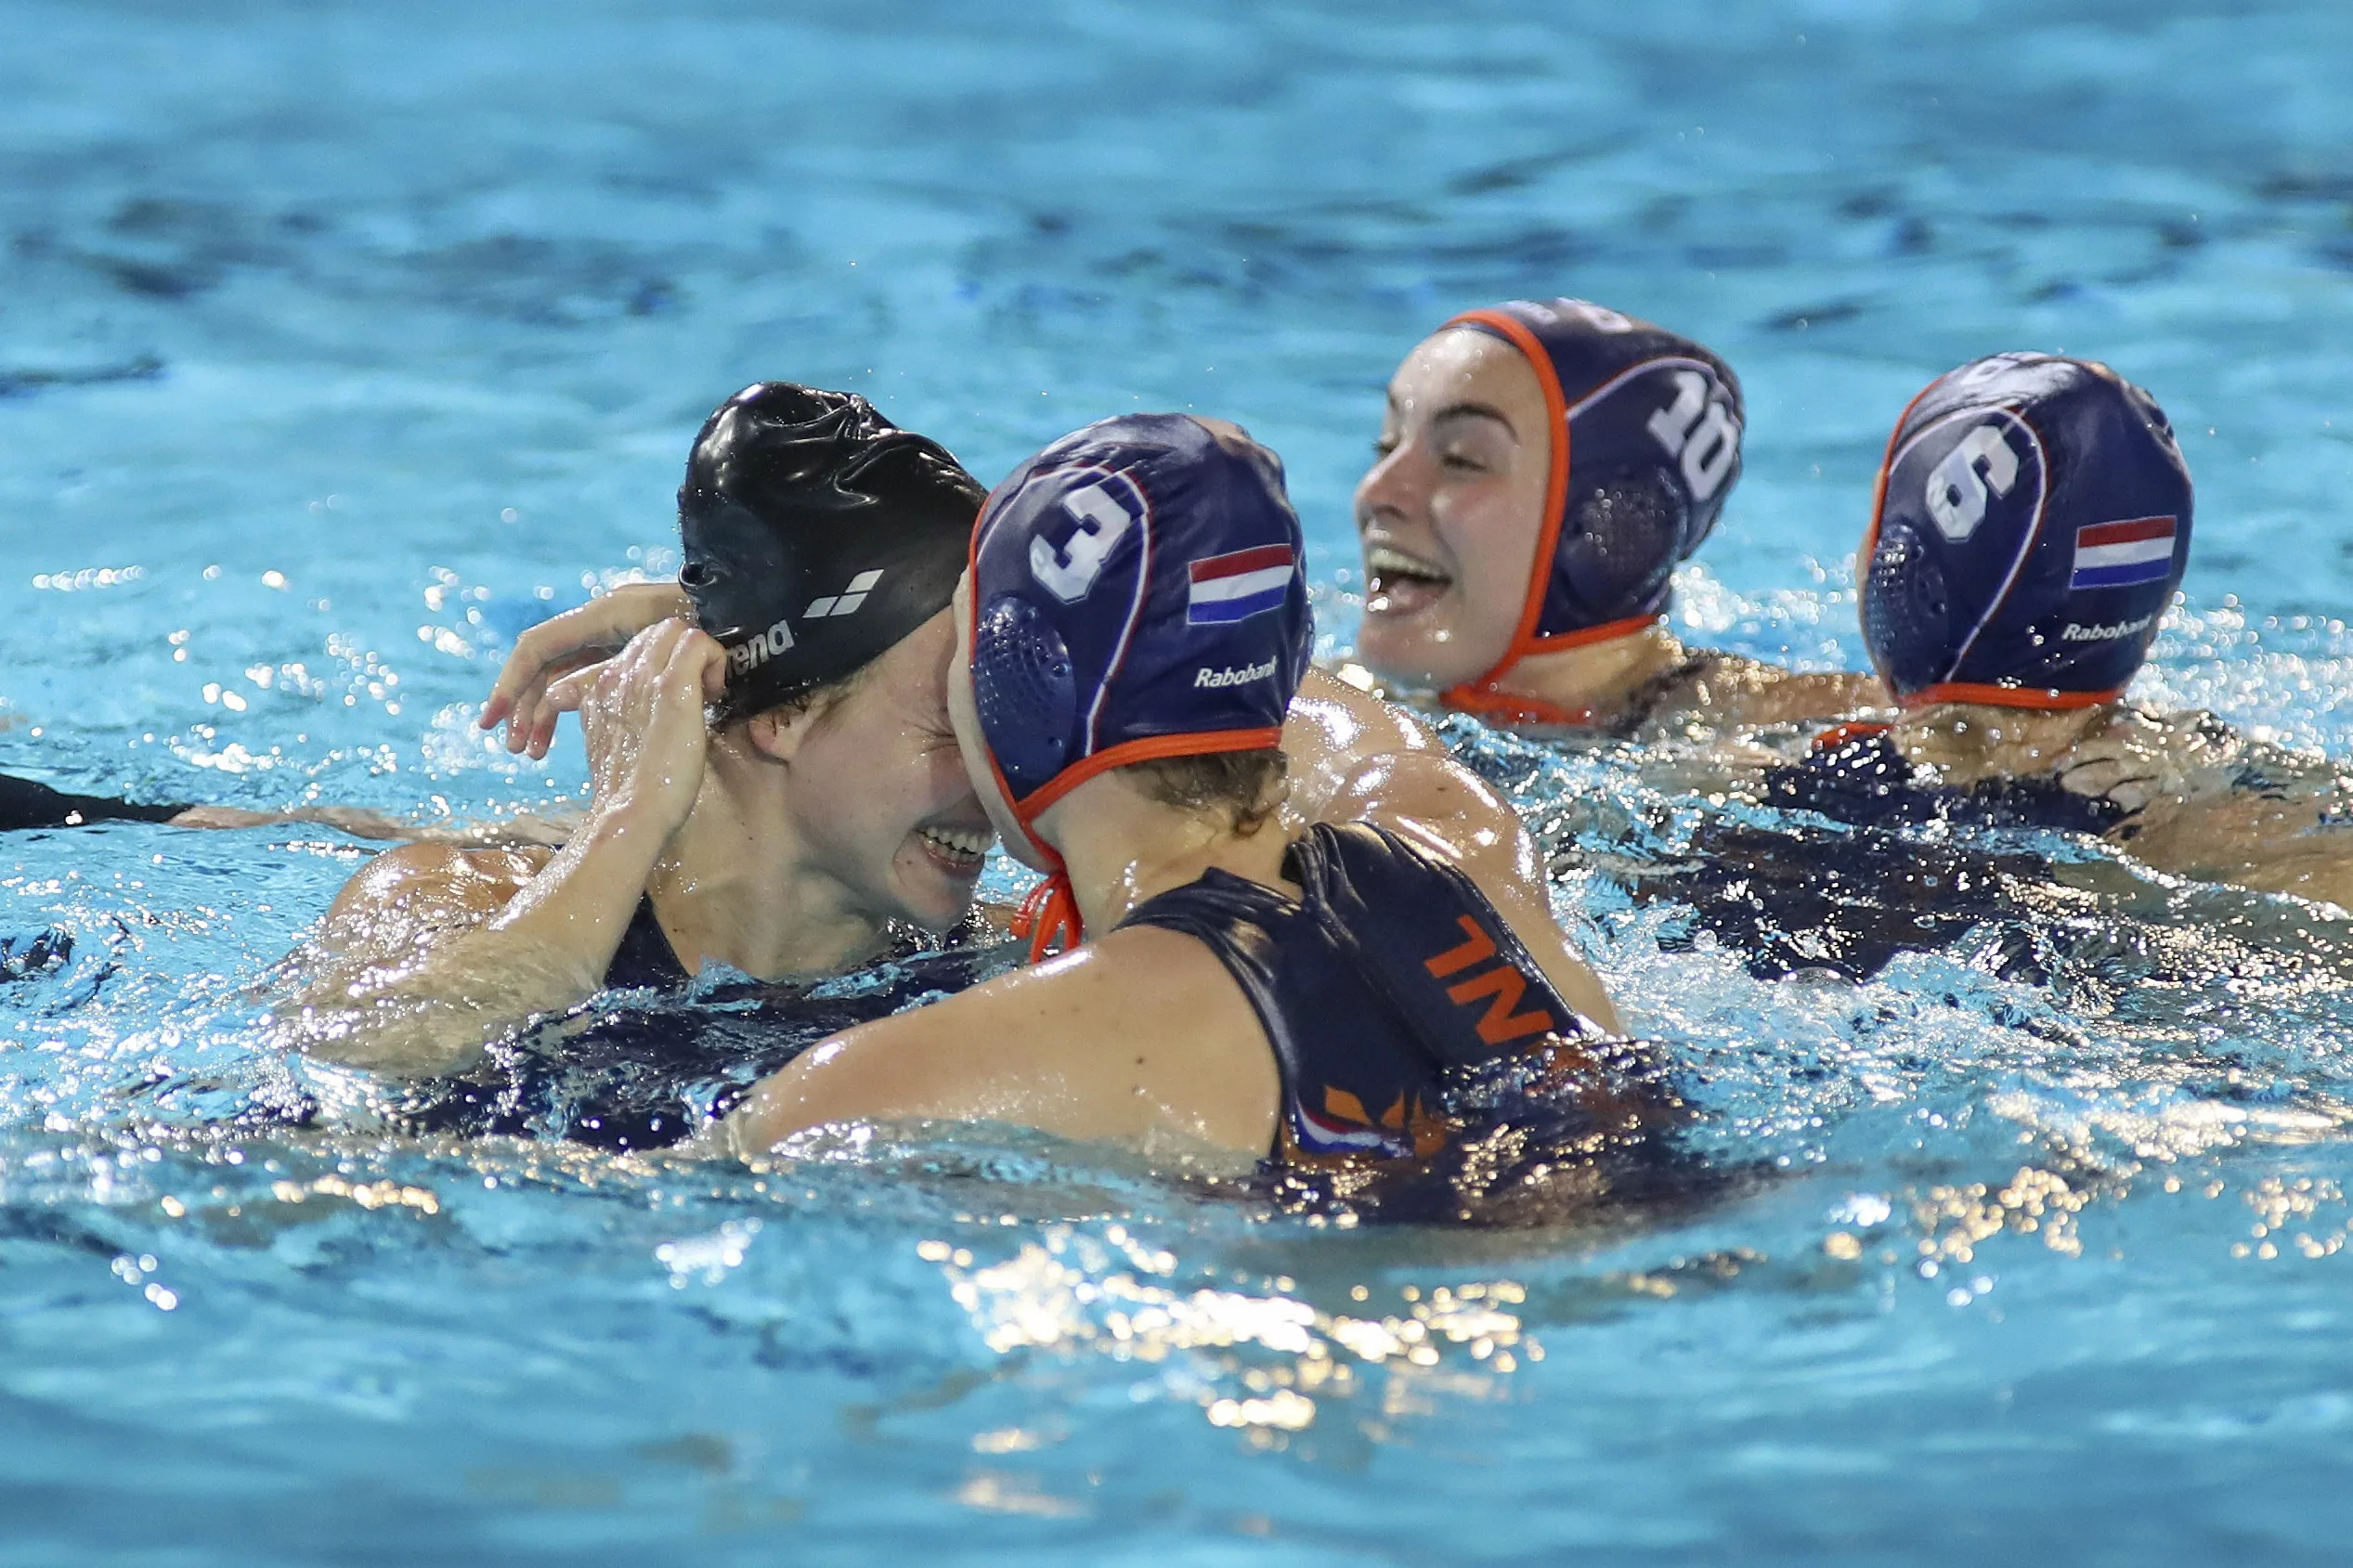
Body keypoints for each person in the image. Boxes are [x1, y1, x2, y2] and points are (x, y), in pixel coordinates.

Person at [714, 413, 1647, 1174]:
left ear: (1019, 688)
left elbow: (661, 1193)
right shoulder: (1457, 839)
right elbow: (1296, 693)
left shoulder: (895, 1082)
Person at [280, 382, 1003, 1076]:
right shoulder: (452, 900)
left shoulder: (1008, 964)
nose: (997, 768)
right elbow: (362, 1047)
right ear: (786, 712)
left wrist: (746, 630)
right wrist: (628, 813)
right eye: (950, 718)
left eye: (998, 712)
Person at [1343, 297, 1882, 737]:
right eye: (1384, 445)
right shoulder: (1317, 701)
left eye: (1461, 459)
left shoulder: (1788, 733)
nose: (1377, 491)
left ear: (1609, 526)